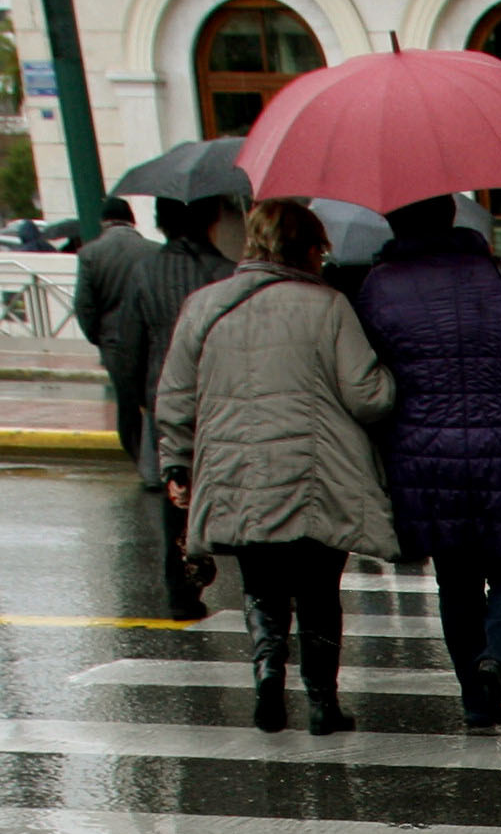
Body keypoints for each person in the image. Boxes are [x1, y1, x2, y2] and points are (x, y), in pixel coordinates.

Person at [154, 199, 396, 738]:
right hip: (317, 475)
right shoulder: (328, 306)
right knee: (317, 589)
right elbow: (368, 397)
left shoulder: (204, 306)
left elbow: (174, 397)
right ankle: (322, 703)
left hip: (235, 471)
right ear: (307, 249)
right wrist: (391, 378)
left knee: (261, 585)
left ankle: (267, 675)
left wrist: (177, 463)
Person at [355, 192, 501, 731]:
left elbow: (367, 366)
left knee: (457, 584)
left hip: (425, 462)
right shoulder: (498, 272)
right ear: (452, 217)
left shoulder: (379, 287)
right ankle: (499, 657)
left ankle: (476, 700)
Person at [106, 195, 240, 619]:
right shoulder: (226, 274)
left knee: (177, 499)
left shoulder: (144, 273)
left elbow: (129, 347)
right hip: (224, 400)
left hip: (164, 399)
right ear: (213, 219)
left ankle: (182, 592)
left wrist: (137, 401)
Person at [72, 196, 153, 459]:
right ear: (132, 220)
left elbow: (84, 305)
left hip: (114, 342)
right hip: (149, 338)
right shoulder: (152, 250)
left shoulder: (90, 254)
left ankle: (137, 456)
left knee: (127, 404)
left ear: (103, 222)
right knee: (153, 397)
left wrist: (98, 337)